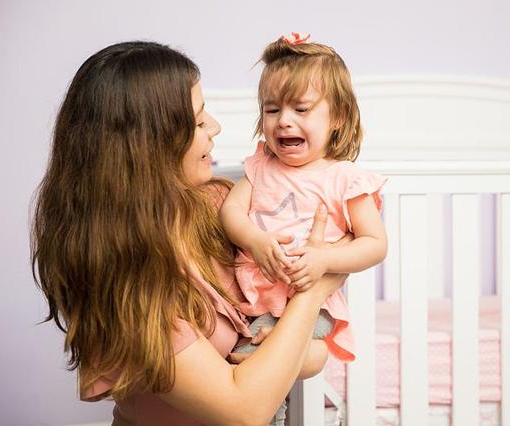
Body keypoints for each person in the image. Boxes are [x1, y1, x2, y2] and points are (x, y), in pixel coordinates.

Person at [30, 40, 348, 426]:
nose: (215, 127)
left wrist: (289, 348)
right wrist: (313, 291)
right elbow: (243, 409)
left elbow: (311, 349)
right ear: (149, 145)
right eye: (198, 122)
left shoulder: (218, 206)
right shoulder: (124, 277)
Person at [220, 31, 387, 387]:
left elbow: (375, 242)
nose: (284, 120)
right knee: (235, 364)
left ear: (338, 117)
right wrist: (253, 239)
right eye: (272, 109)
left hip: (306, 306)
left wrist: (325, 260)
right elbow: (230, 210)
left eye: (301, 109)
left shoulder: (344, 179)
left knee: (253, 367)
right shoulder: (261, 166)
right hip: (250, 300)